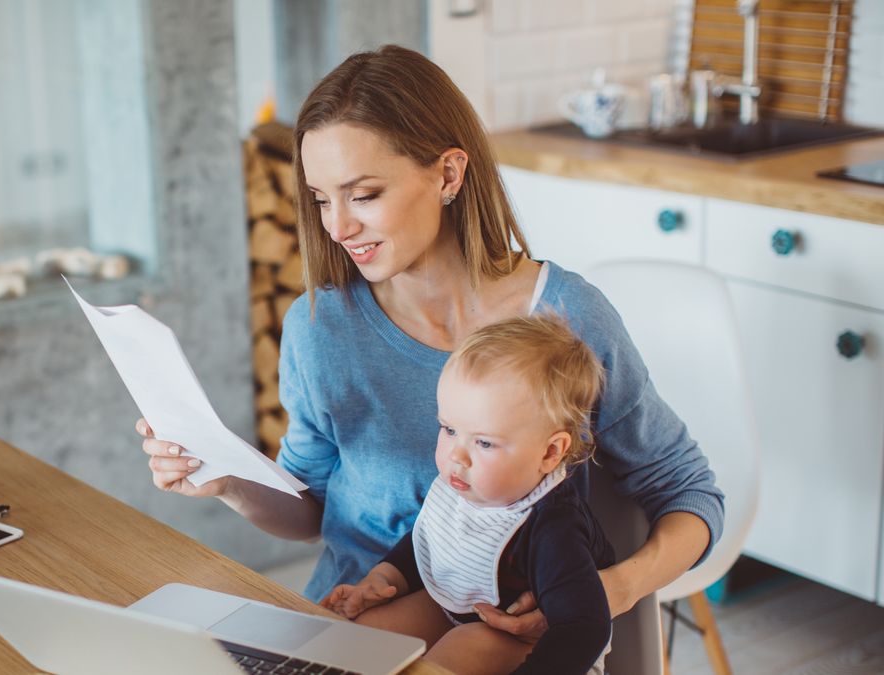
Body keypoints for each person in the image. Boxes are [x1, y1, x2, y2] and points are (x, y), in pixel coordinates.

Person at [137, 44, 723, 669]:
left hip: (503, 638)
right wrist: (229, 479)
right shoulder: (319, 326)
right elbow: (309, 509)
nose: (336, 228)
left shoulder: (568, 319)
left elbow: (688, 491)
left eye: (362, 195)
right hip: (351, 617)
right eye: (319, 199)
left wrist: (613, 589)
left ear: (448, 175)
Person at [321, 315, 614, 674]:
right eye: (449, 429)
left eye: (485, 442)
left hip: (547, 651)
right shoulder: (467, 483)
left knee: (463, 648)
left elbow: (585, 628)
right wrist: (382, 579)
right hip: (461, 613)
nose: (457, 455)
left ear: (550, 453)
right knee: (366, 635)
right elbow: (432, 542)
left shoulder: (552, 525)